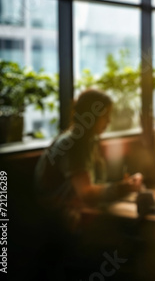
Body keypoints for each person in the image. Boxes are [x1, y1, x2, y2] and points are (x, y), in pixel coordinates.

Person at [34, 89, 143, 229]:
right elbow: (87, 193)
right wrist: (123, 187)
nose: (109, 121)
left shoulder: (86, 140)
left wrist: (123, 185)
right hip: (59, 220)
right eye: (105, 116)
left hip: (73, 212)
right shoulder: (74, 143)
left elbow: (94, 185)